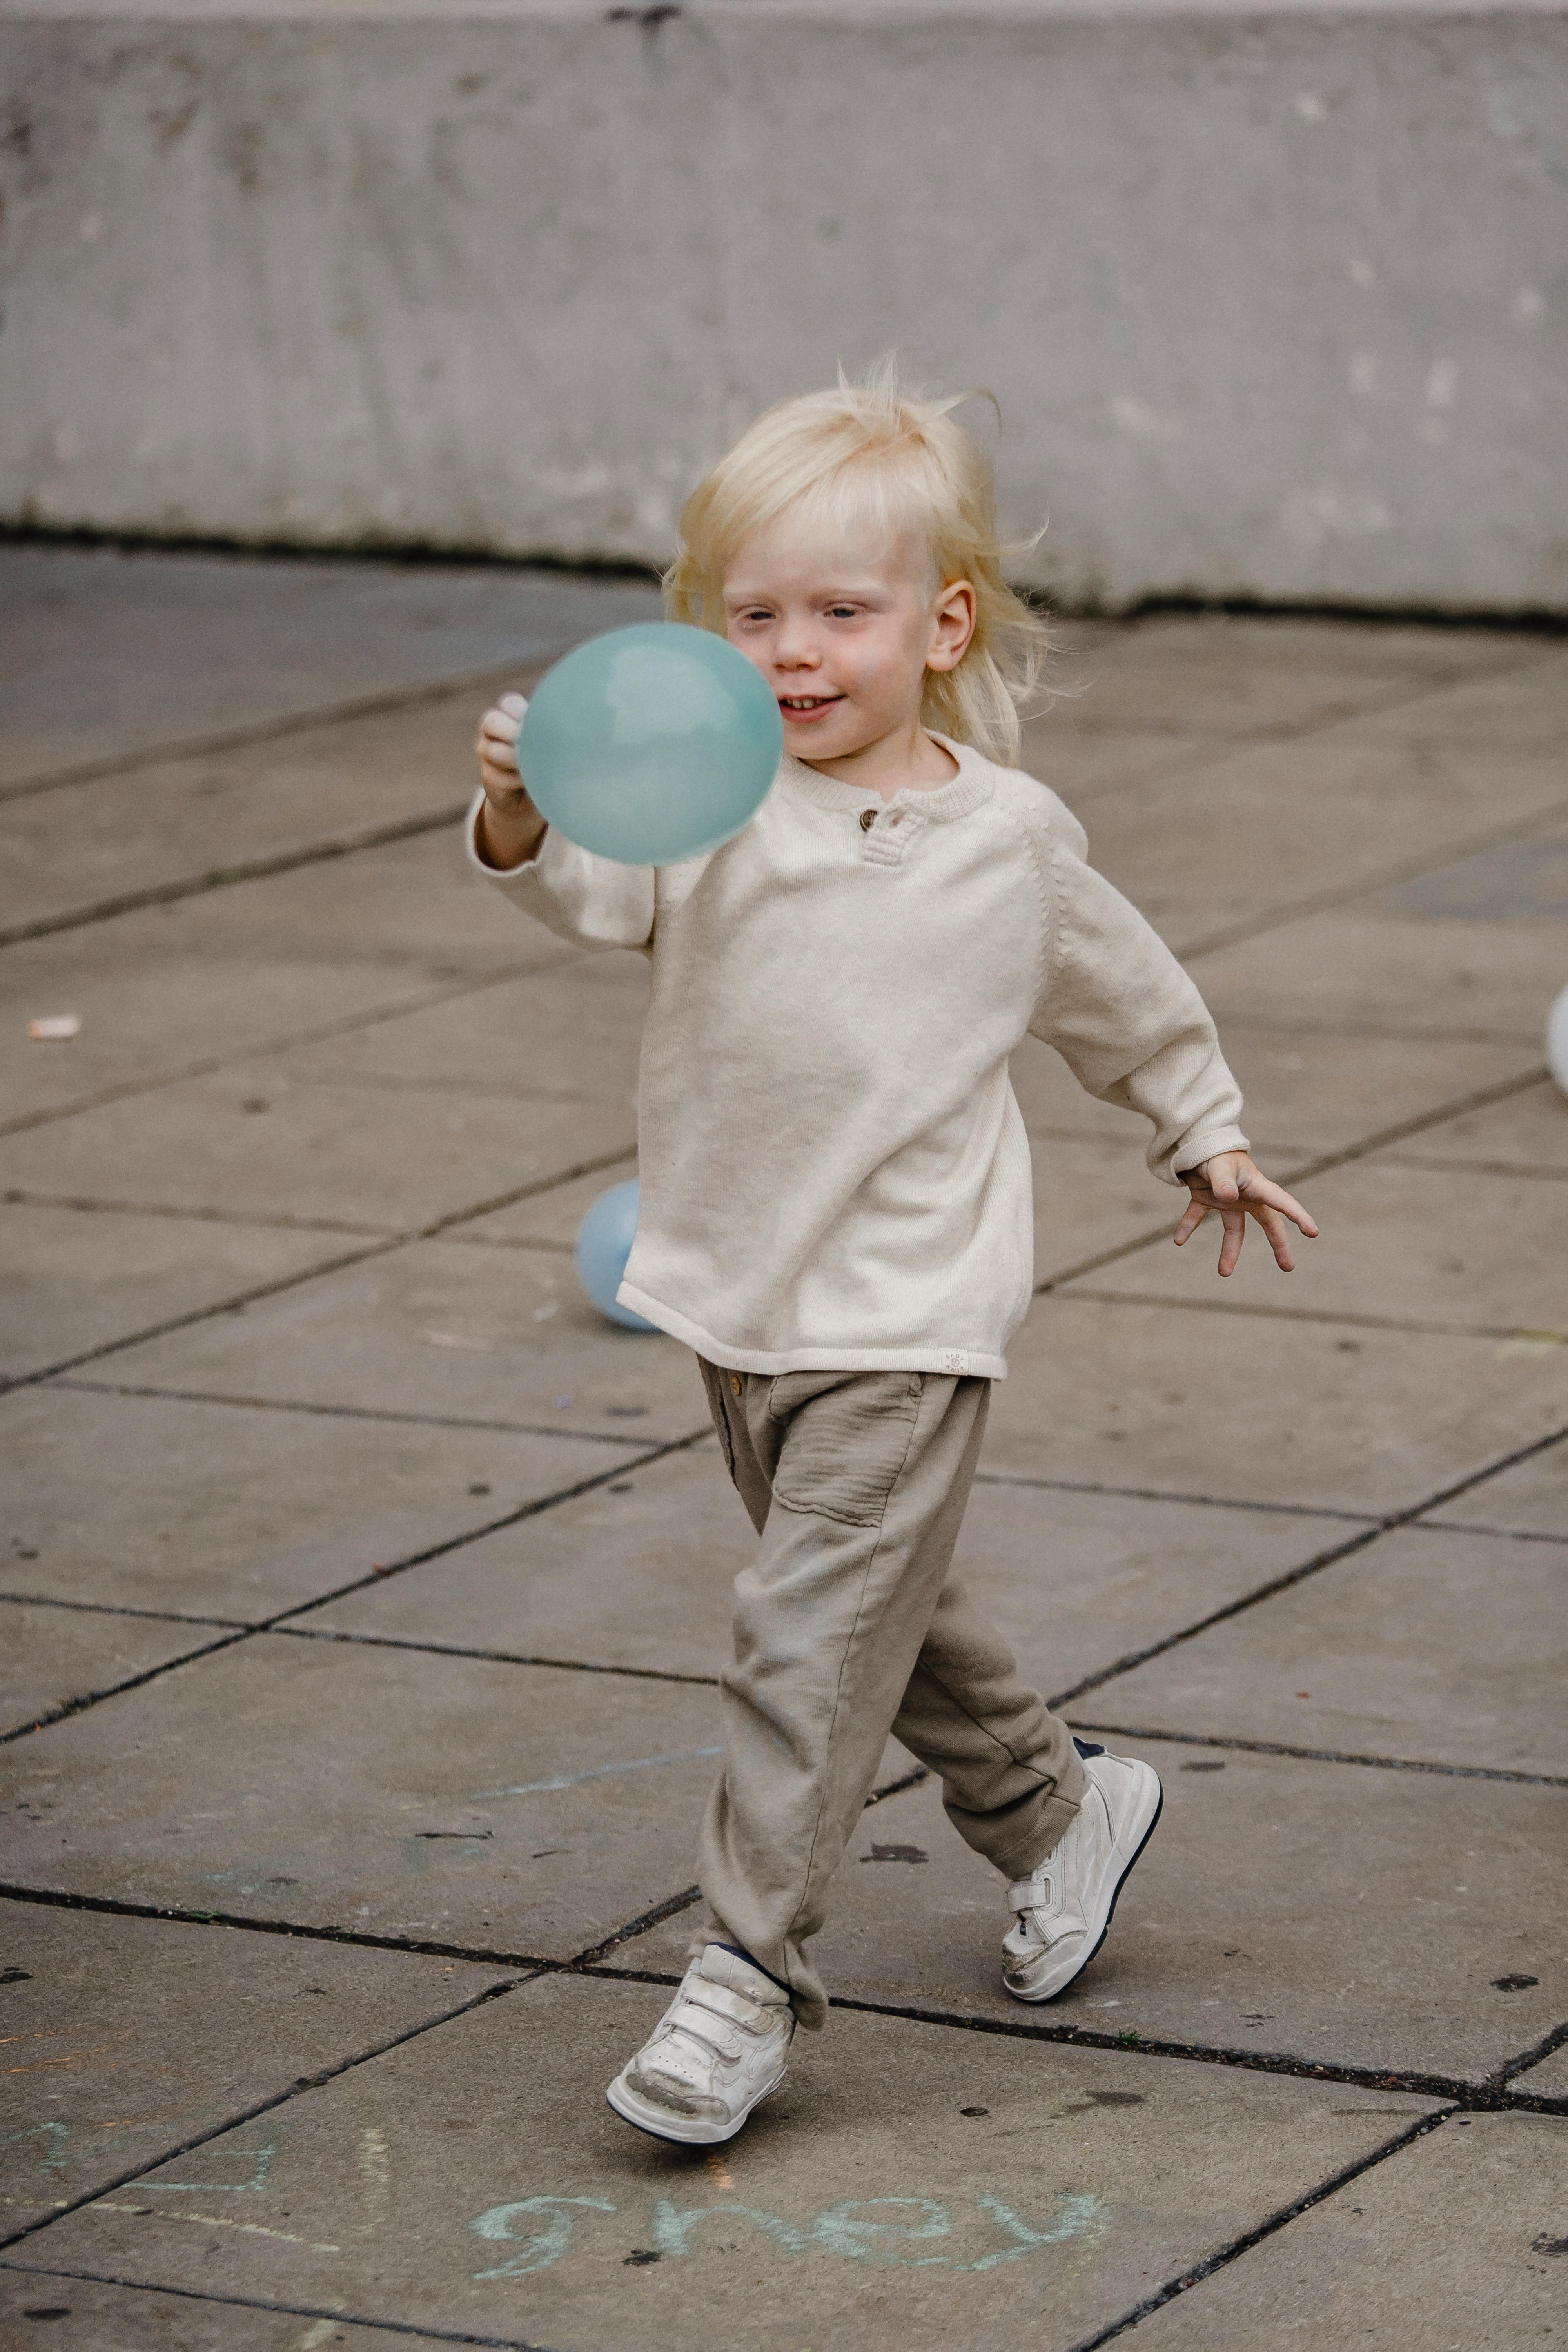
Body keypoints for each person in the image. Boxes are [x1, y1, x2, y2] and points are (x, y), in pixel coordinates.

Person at [470, 373, 1317, 2147]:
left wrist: (1205, 1126)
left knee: (799, 1642)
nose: (791, 650)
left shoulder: (1006, 842)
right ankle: (1051, 1809)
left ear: (938, 628)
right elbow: (589, 894)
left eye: (838, 614)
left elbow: (1124, 994)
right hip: (734, 1283)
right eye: (751, 612)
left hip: (909, 1306)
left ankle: (744, 1983)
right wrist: (524, 812)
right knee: (871, 1607)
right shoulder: (702, 800)